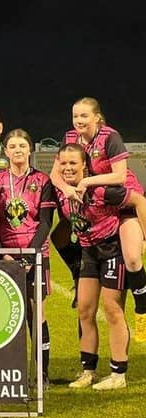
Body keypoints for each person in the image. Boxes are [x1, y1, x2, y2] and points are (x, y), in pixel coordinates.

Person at [49, 97, 146, 339]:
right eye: (75, 116)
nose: (79, 121)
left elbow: (120, 176)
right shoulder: (70, 138)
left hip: (118, 198)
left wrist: (86, 181)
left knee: (133, 258)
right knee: (59, 234)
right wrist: (68, 188)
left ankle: (142, 308)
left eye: (84, 116)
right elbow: (54, 174)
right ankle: (77, 273)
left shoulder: (109, 137)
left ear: (97, 118)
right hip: (90, 198)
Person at [55, 143, 146, 389]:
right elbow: (60, 228)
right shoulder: (60, 191)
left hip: (112, 249)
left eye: (73, 163)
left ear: (85, 164)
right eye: (63, 163)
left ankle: (118, 374)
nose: (67, 168)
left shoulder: (101, 191)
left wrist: (144, 237)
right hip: (88, 250)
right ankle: (88, 371)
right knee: (84, 309)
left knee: (112, 309)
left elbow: (138, 200)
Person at [0, 129, 56, 387]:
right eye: (12, 146)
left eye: (22, 146)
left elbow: (46, 222)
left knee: (37, 314)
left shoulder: (43, 180)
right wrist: (3, 252)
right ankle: (10, 373)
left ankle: (43, 373)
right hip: (5, 255)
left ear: (30, 150)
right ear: (6, 151)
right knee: (7, 313)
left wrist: (31, 255)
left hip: (36, 254)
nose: (17, 150)